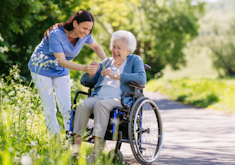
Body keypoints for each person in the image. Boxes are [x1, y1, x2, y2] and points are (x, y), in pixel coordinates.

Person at [28, 10, 107, 141]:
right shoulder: (56, 34)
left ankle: (70, 140)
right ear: (75, 23)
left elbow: (96, 47)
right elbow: (62, 61)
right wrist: (85, 68)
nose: (86, 32)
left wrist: (107, 63)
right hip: (41, 68)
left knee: (66, 107)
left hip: (60, 70)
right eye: (84, 28)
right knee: (50, 107)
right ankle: (56, 143)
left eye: (89, 30)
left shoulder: (85, 36)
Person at [72, 30, 146, 163]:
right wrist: (91, 72)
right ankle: (75, 152)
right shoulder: (106, 62)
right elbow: (86, 81)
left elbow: (141, 79)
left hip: (119, 98)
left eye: (119, 48)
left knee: (101, 105)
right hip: (99, 95)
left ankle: (96, 152)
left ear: (128, 50)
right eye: (114, 47)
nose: (115, 50)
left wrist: (116, 76)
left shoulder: (135, 60)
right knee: (82, 105)